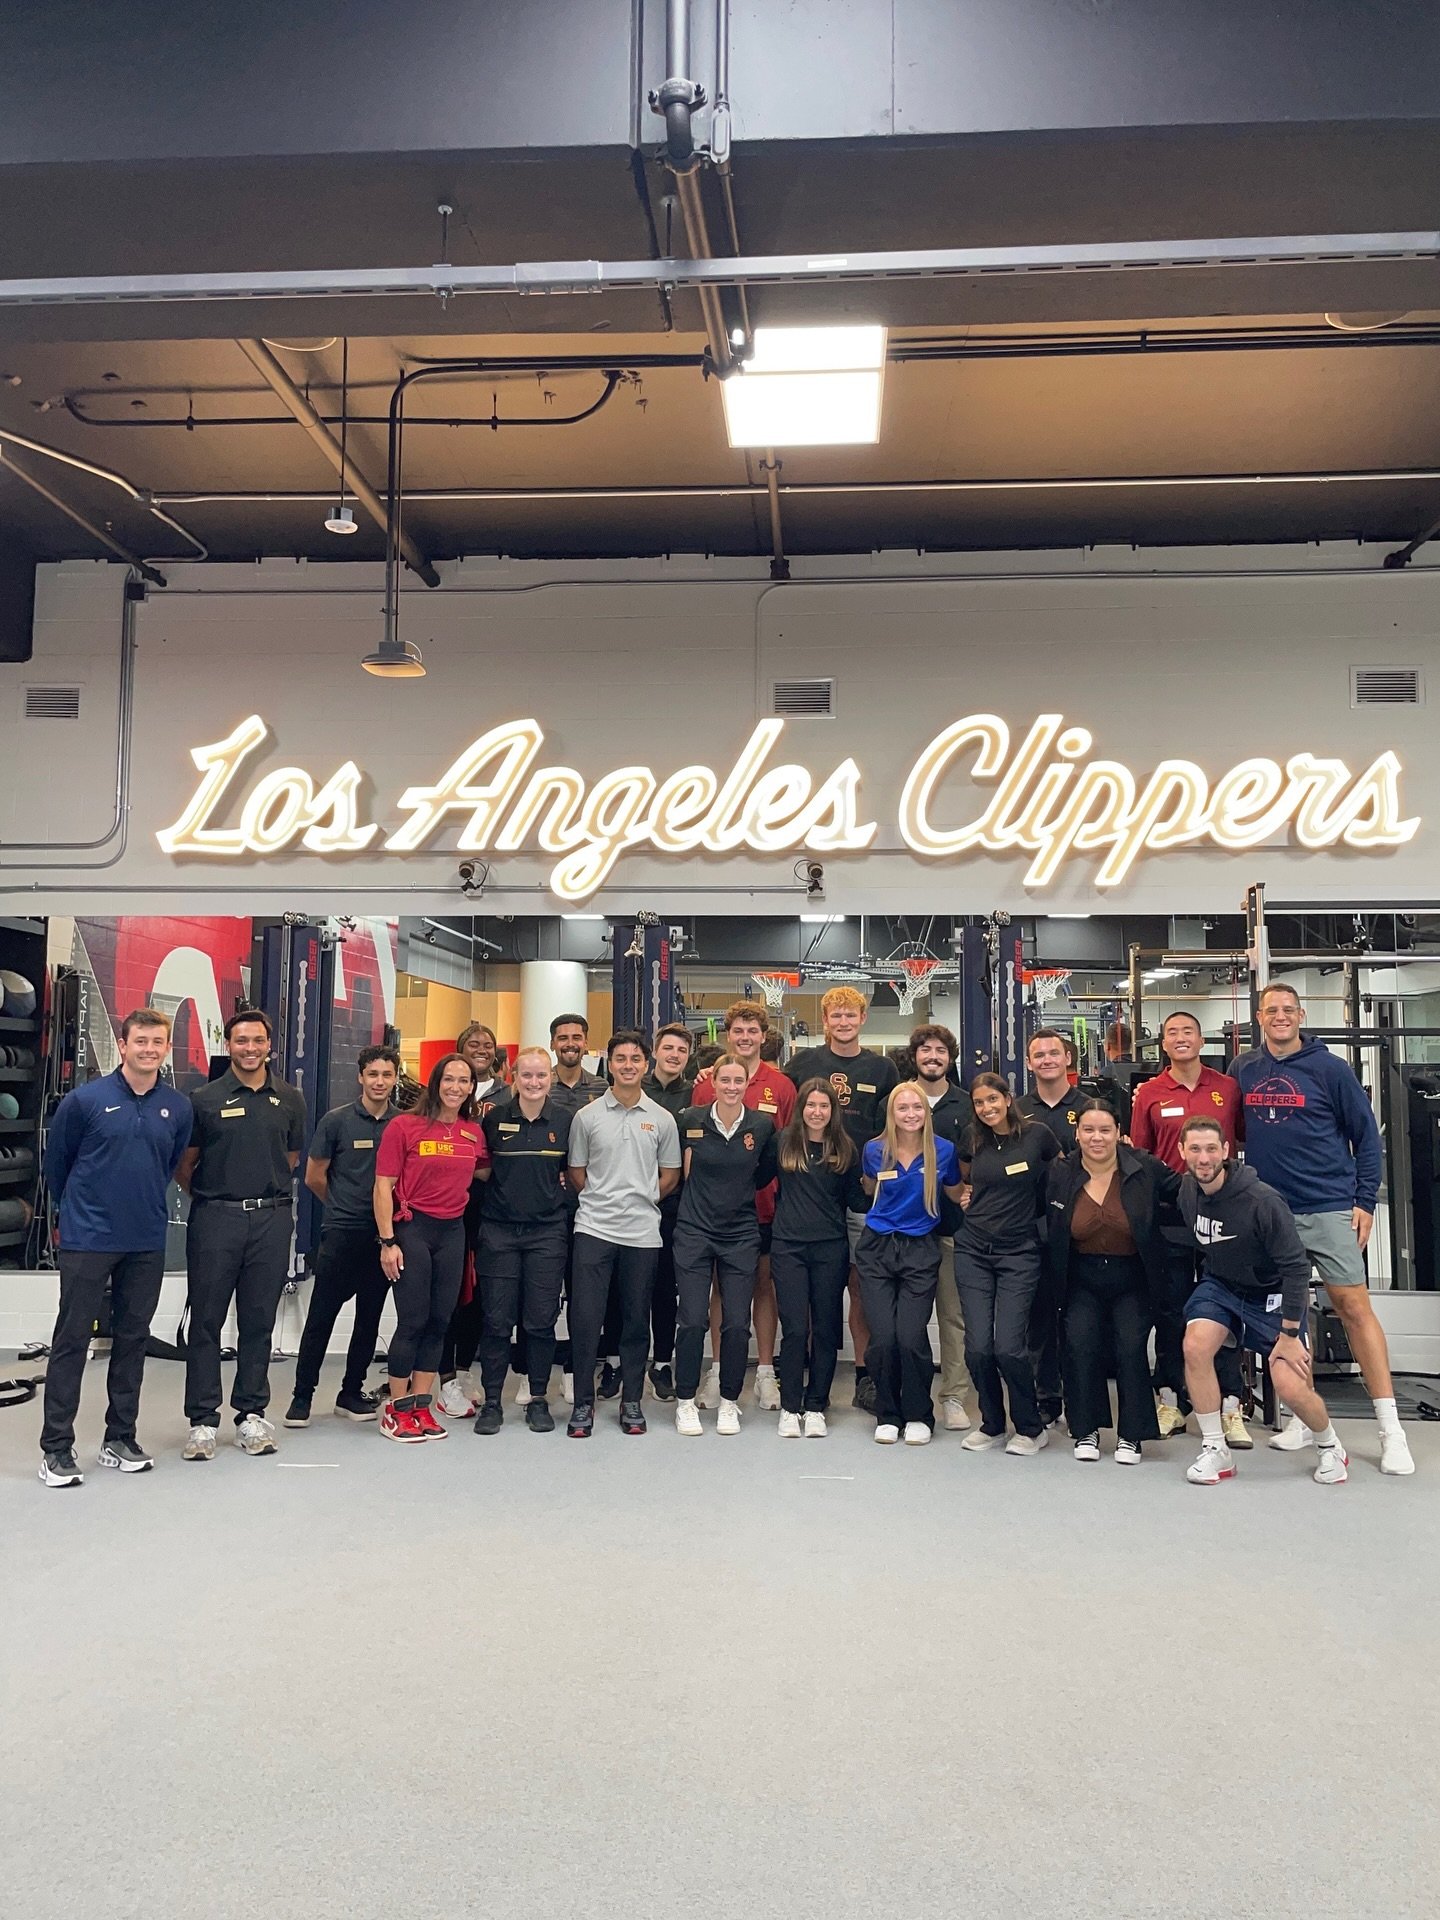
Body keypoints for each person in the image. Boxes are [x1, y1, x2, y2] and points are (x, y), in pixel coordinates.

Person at [1232, 981, 1413, 1476]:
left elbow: (1366, 1139)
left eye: (1288, 1009)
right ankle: (1299, 1416)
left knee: (1353, 1308)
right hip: (1271, 1212)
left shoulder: (1331, 1069)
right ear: (1260, 1016)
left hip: (1329, 1206)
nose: (1281, 1016)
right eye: (1272, 1010)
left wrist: (1364, 1202)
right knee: (1289, 1314)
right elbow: (1232, 1134)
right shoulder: (1245, 1069)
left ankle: (1390, 1429)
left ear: (1301, 1013)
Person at [37, 1008, 192, 1487]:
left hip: (145, 1240)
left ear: (166, 1048)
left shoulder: (177, 1107)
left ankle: (119, 1438)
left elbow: (167, 1165)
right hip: (88, 1240)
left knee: (132, 1340)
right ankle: (56, 1448)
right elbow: (56, 1167)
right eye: (140, 1041)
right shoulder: (85, 1101)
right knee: (71, 1341)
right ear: (122, 1046)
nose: (149, 1049)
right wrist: (82, 1215)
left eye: (158, 1042)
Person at [1178, 1115, 1349, 1487]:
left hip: (1271, 1293)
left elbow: (1296, 1270)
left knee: (1289, 1385)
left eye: (1211, 1149)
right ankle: (1215, 1450)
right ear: (1182, 1152)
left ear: (1226, 1151)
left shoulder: (1263, 1202)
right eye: (1194, 1149)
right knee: (1194, 1346)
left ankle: (1330, 1445)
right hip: (1222, 1286)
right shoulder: (1187, 1191)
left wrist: (1289, 1333)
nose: (1203, 1158)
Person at [177, 1007, 308, 1462]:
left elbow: (290, 1158)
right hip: (216, 1219)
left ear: (269, 1045)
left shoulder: (290, 1098)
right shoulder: (204, 1098)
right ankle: (202, 1421)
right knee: (207, 1322)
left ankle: (251, 1414)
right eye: (240, 1041)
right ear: (228, 1045)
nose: (249, 1049)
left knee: (258, 1322)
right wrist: (220, 1198)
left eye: (258, 1041)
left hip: (271, 1221)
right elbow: (185, 1164)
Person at [1130, 1010, 1249, 1447]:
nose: (1180, 1038)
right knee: (1171, 1310)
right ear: (1163, 1044)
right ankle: (1170, 1401)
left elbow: (1240, 1142)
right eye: (1172, 1033)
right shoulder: (1149, 1094)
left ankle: (1231, 1405)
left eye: (1188, 1031)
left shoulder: (1228, 1088)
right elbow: (1140, 1157)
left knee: (1226, 1308)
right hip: (1170, 1217)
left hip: (1224, 1213)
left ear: (1201, 1040)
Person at [787, 985, 899, 1413]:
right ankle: (811, 1372)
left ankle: (866, 1375)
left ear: (863, 1019)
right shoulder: (803, 1063)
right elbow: (782, 1113)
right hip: (809, 1191)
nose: (844, 1022)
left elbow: (896, 1125)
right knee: (813, 1292)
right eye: (836, 1016)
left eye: (851, 1015)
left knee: (860, 1287)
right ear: (826, 1020)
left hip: (862, 1193)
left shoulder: (883, 1068)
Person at [565, 1028, 682, 1437]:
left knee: (636, 1321)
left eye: (635, 1059)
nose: (628, 1066)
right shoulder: (587, 1117)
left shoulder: (662, 1119)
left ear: (645, 1065)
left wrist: (642, 1198)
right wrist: (603, 1200)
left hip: (642, 1234)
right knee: (585, 1318)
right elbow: (577, 1173)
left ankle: (632, 1401)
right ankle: (584, 1403)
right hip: (594, 1229)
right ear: (609, 1065)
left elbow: (670, 1175)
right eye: (620, 1059)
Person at [1046, 1101, 1174, 1463]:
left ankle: (1132, 1435)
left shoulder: (1144, 1167)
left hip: (1133, 1276)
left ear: (1119, 1133)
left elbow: (1184, 1194)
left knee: (1131, 1348)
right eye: (1088, 1130)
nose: (1096, 1138)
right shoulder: (1060, 1171)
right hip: (1079, 1276)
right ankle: (1085, 1430)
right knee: (1080, 1344)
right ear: (1077, 1134)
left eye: (1105, 1130)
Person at [373, 1054, 489, 1443]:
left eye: (464, 1081)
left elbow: (486, 1171)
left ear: (472, 1087)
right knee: (413, 1321)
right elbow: (383, 1186)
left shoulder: (473, 1132)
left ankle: (422, 1405)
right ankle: (397, 1407)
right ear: (436, 1082)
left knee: (441, 1320)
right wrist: (388, 1242)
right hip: (412, 1231)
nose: (456, 1087)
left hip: (452, 1233)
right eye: (449, 1079)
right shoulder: (404, 1126)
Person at [285, 1044, 401, 1429]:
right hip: (341, 1234)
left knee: (368, 1320)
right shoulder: (336, 1122)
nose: (380, 1081)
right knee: (321, 1317)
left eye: (387, 1075)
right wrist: (341, 1205)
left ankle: (351, 1392)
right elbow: (314, 1176)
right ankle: (302, 1397)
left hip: (382, 1238)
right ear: (360, 1077)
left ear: (396, 1078)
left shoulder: (403, 1124)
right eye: (373, 1074)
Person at [691, 998, 795, 1410]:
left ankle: (766, 1373)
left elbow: (785, 1151)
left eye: (753, 1031)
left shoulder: (781, 1086)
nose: (746, 1037)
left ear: (763, 1036)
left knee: (762, 1285)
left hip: (764, 1207)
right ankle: (718, 1371)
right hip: (715, 1211)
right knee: (722, 1288)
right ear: (727, 1034)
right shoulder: (705, 1083)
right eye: (738, 1030)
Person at [952, 1072, 1059, 1455]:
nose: (986, 1108)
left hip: (1020, 1252)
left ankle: (1030, 1428)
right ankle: (993, 1424)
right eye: (979, 1103)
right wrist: (966, 1196)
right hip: (973, 1250)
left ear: (1008, 1098)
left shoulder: (1038, 1136)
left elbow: (1060, 1176)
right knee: (978, 1347)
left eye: (992, 1100)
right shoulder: (971, 1137)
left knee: (1009, 1348)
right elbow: (964, 1178)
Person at [672, 1053, 777, 1436]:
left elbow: (764, 1173)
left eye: (738, 1081)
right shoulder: (690, 1120)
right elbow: (677, 1171)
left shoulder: (761, 1127)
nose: (731, 1087)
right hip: (694, 1231)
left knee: (736, 1322)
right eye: (724, 1081)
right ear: (713, 1083)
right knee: (693, 1318)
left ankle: (730, 1402)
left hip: (740, 1234)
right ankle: (685, 1401)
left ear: (746, 1084)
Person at [856, 1082, 966, 1444]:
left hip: (920, 1248)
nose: (910, 1114)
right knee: (884, 1337)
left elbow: (953, 1192)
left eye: (917, 1108)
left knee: (910, 1336)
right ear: (891, 1113)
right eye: (902, 1108)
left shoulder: (943, 1151)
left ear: (926, 1112)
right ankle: (888, 1413)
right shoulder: (874, 1150)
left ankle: (919, 1414)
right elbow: (871, 1189)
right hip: (877, 1249)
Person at [472, 1047, 571, 1435]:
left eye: (541, 1076)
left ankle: (538, 1398)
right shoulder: (494, 1120)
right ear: (513, 1076)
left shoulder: (564, 1121)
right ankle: (493, 1402)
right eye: (526, 1075)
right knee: (497, 1322)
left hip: (547, 1234)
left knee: (541, 1323)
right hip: (498, 1232)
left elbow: (573, 1173)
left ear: (550, 1077)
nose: (534, 1083)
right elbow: (481, 1172)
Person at [770, 1079, 867, 1437]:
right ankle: (790, 1406)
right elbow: (756, 1177)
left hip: (830, 1249)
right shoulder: (782, 1142)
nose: (817, 1112)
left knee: (826, 1329)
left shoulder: (844, 1147)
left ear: (833, 1111)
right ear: (801, 1109)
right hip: (788, 1247)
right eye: (811, 1105)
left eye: (824, 1106)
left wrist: (885, 1183)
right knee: (795, 1329)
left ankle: (815, 1406)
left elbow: (859, 1201)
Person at [436, 1021, 514, 1418]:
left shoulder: (509, 1095)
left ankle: (464, 1371)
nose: (480, 1049)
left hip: (490, 1209)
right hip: (446, 1212)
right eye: (472, 1043)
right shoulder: (441, 1099)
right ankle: (444, 1375)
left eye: (487, 1045)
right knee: (447, 1294)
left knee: (478, 1295)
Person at [907, 1023, 975, 1431]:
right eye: (925, 1050)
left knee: (953, 1319)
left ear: (950, 1059)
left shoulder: (967, 1105)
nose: (933, 1057)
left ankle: (953, 1396)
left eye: (940, 1052)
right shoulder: (898, 1101)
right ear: (914, 1056)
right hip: (906, 1233)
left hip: (951, 1230)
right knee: (908, 1321)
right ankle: (910, 1394)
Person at [642, 1021, 694, 1400]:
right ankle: (617, 1360)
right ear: (655, 1052)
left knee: (664, 1288)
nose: (674, 1055)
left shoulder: (696, 1095)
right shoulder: (633, 1091)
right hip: (629, 1204)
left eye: (682, 1051)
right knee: (626, 1289)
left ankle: (662, 1363)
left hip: (674, 1206)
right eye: (669, 1048)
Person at [547, 1012, 607, 1116]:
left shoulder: (601, 1088)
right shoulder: (541, 1086)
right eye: (563, 1038)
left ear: (586, 1043)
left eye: (576, 1038)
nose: (570, 1044)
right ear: (552, 1045)